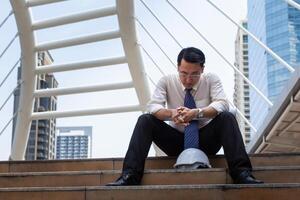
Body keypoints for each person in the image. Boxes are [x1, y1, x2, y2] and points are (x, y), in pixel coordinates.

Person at [107, 47, 263, 186]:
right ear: (178, 68)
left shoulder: (211, 79)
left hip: (206, 141)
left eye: (194, 74)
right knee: (145, 120)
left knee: (227, 117)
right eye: (184, 73)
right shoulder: (167, 81)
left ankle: (242, 173)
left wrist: (197, 113)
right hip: (176, 142)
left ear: (202, 69)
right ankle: (130, 176)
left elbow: (222, 103)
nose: (188, 79)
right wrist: (171, 113)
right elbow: (153, 106)